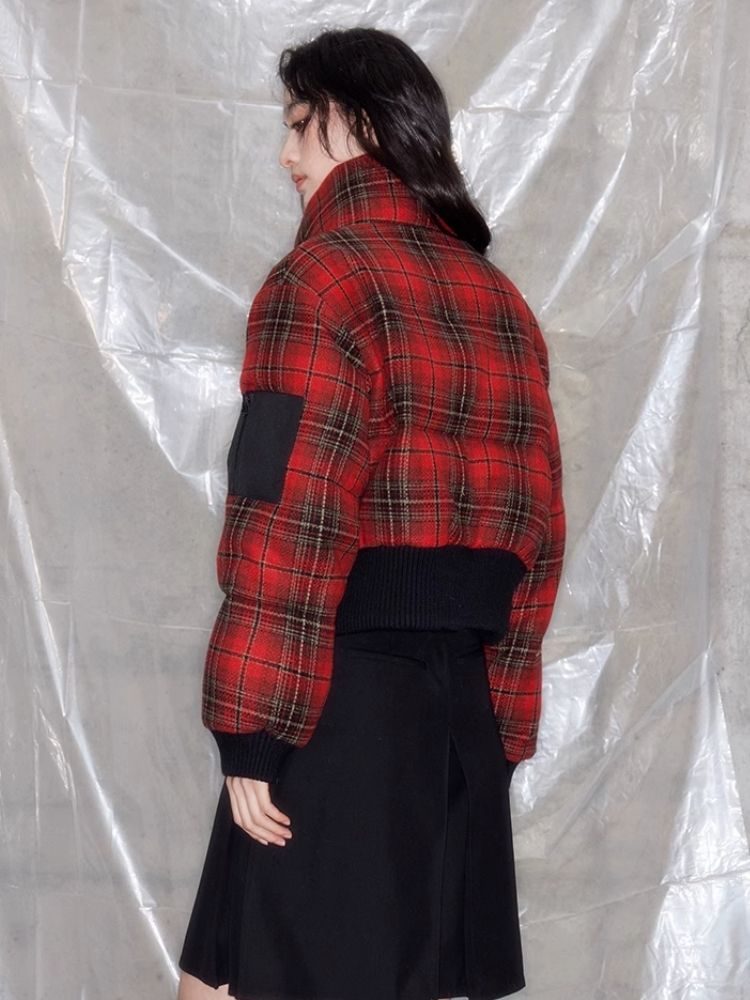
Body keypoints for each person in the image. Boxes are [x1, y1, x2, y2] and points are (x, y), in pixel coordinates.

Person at [177, 24, 566, 1000]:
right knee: (232, 979)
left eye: (298, 125)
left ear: (355, 122)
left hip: (333, 709)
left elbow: (286, 516)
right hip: (457, 723)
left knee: (236, 982)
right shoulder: (502, 301)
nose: (285, 154)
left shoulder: (321, 279)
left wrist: (252, 731)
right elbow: (539, 536)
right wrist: (502, 730)